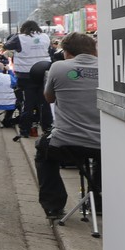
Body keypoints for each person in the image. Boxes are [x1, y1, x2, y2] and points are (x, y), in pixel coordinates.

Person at [37, 33, 100, 220]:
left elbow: (49, 98)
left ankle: (54, 206)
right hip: (103, 144)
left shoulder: (58, 67)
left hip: (66, 143)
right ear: (94, 50)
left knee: (43, 151)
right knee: (102, 159)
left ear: (67, 52)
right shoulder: (110, 67)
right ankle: (98, 200)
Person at [4, 20, 52, 140]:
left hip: (26, 76)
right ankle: (47, 129)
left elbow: (7, 45)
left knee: (27, 104)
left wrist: (16, 34)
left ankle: (25, 130)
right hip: (43, 74)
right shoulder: (45, 36)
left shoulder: (20, 38)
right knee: (44, 104)